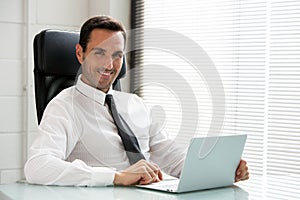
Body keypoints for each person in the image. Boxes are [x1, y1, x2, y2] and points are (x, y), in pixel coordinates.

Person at [24, 15, 249, 186]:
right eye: (99, 53)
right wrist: (116, 176)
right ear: (80, 53)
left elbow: (171, 156)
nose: (109, 65)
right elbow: (37, 167)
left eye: (117, 55)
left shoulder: (135, 104)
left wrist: (219, 170)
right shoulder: (64, 107)